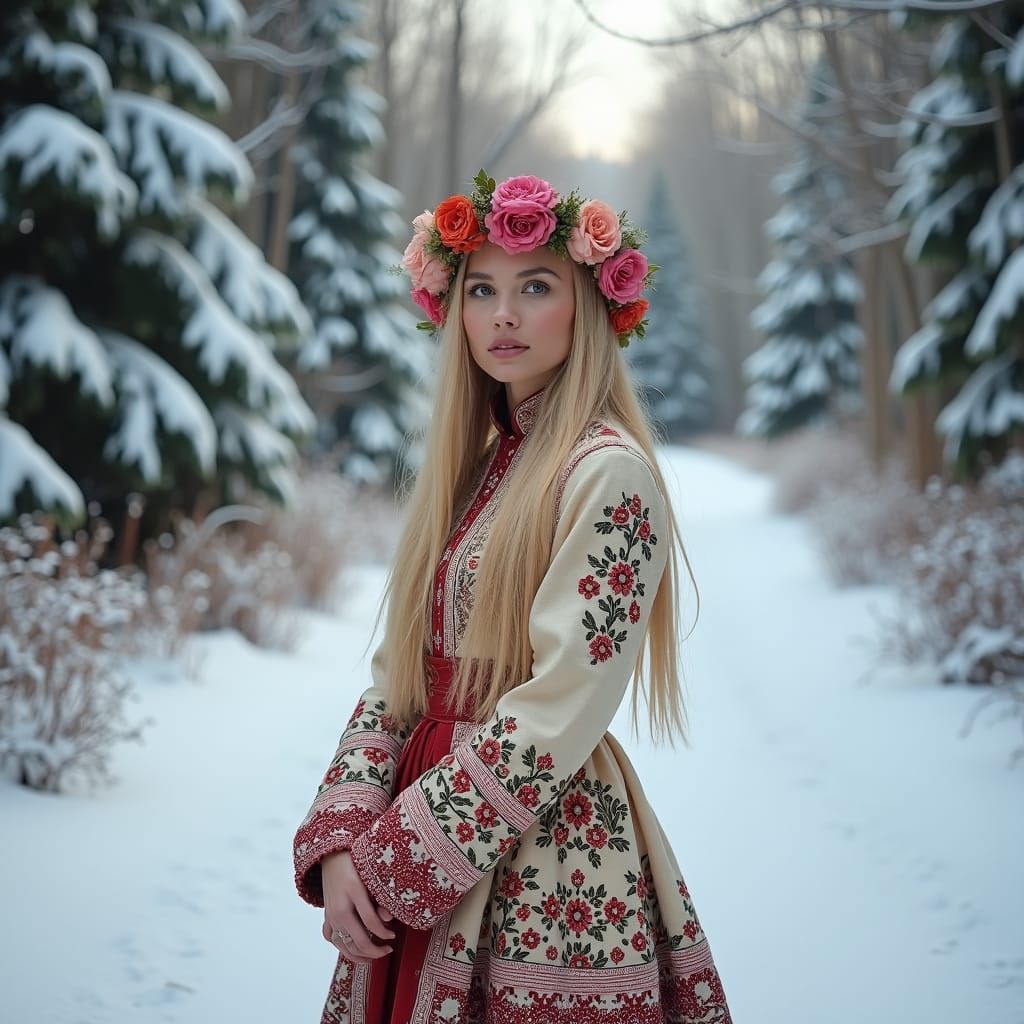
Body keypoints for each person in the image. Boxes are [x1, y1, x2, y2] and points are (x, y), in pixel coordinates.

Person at [292, 170, 733, 1024]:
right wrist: (345, 832)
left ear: (590, 308)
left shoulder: (608, 474)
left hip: (545, 853)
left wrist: (401, 856)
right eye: (481, 289)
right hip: (411, 823)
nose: (503, 314)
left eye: (536, 287)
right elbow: (399, 676)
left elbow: (561, 705)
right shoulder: (473, 474)